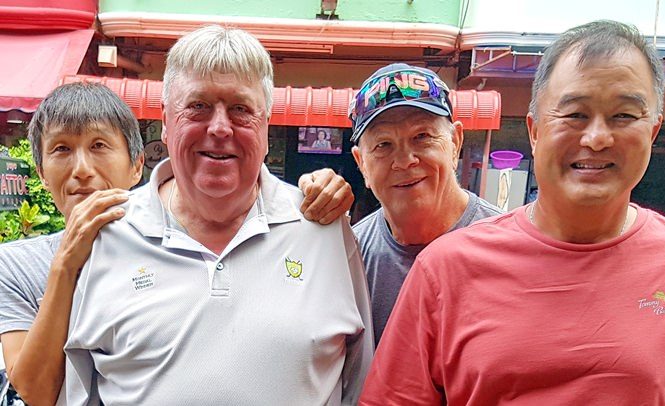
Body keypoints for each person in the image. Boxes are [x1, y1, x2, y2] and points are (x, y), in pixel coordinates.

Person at [360, 20, 665, 404]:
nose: (597, 138)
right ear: (534, 132)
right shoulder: (445, 269)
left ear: (652, 131)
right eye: (575, 114)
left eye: (624, 116)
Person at [61, 25, 372, 405]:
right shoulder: (109, 234)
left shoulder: (321, 227)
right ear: (166, 121)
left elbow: (362, 384)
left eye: (241, 109)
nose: (220, 128)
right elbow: (77, 392)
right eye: (198, 106)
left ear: (266, 124)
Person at [0, 82, 145, 406]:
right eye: (62, 149)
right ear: (41, 173)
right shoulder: (15, 266)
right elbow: (36, 392)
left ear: (136, 165)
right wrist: (65, 265)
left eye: (99, 145)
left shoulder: (171, 251)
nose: (81, 170)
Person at [345, 63, 502, 345]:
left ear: (455, 142)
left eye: (422, 137)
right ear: (361, 164)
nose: (405, 161)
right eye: (383, 145)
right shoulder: (350, 257)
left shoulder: (506, 249)